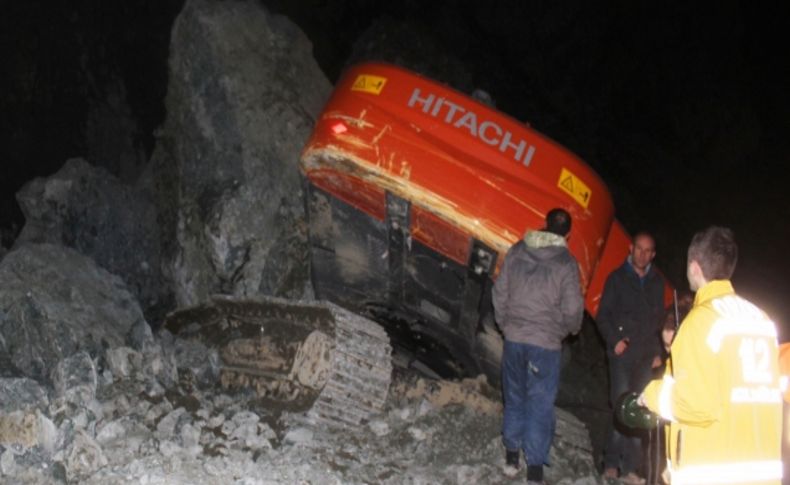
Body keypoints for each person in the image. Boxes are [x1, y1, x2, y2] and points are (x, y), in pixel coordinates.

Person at [640, 226, 782, 485]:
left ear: (694, 267)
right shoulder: (762, 321)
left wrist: (652, 394)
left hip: (713, 471)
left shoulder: (700, 322)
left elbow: (695, 404)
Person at [492, 208, 584, 483]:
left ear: (545, 225)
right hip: (544, 346)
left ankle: (511, 456)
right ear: (568, 233)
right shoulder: (567, 263)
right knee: (540, 404)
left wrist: (505, 325)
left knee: (514, 396)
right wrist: (569, 330)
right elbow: (572, 309)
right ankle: (534, 470)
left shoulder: (518, 249)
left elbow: (499, 292)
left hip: (515, 340)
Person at [596, 232, 665, 485]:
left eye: (648, 251)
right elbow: (602, 316)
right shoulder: (617, 278)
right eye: (639, 249)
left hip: (646, 358)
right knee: (621, 406)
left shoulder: (657, 283)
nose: (642, 254)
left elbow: (660, 321)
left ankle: (632, 468)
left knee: (642, 410)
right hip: (622, 356)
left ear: (653, 254)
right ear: (631, 248)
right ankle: (612, 462)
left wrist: (659, 351)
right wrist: (614, 341)